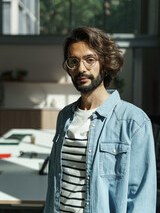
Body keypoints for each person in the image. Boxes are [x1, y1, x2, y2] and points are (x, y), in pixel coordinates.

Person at [43, 26, 156, 213]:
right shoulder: (64, 116)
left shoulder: (134, 122)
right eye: (73, 61)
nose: (81, 69)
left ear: (105, 63)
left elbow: (141, 199)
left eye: (90, 60)